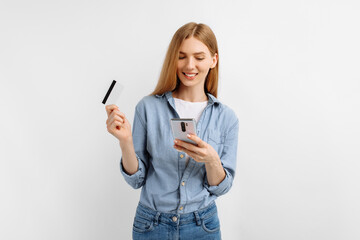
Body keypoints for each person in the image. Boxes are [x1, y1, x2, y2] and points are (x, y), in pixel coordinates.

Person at [105, 22, 239, 240]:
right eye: (181, 56)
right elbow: (136, 180)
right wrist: (126, 141)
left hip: (202, 226)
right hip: (151, 224)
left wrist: (211, 160)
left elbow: (220, 188)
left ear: (213, 60)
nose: (190, 65)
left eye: (199, 57)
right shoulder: (147, 107)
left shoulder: (226, 117)